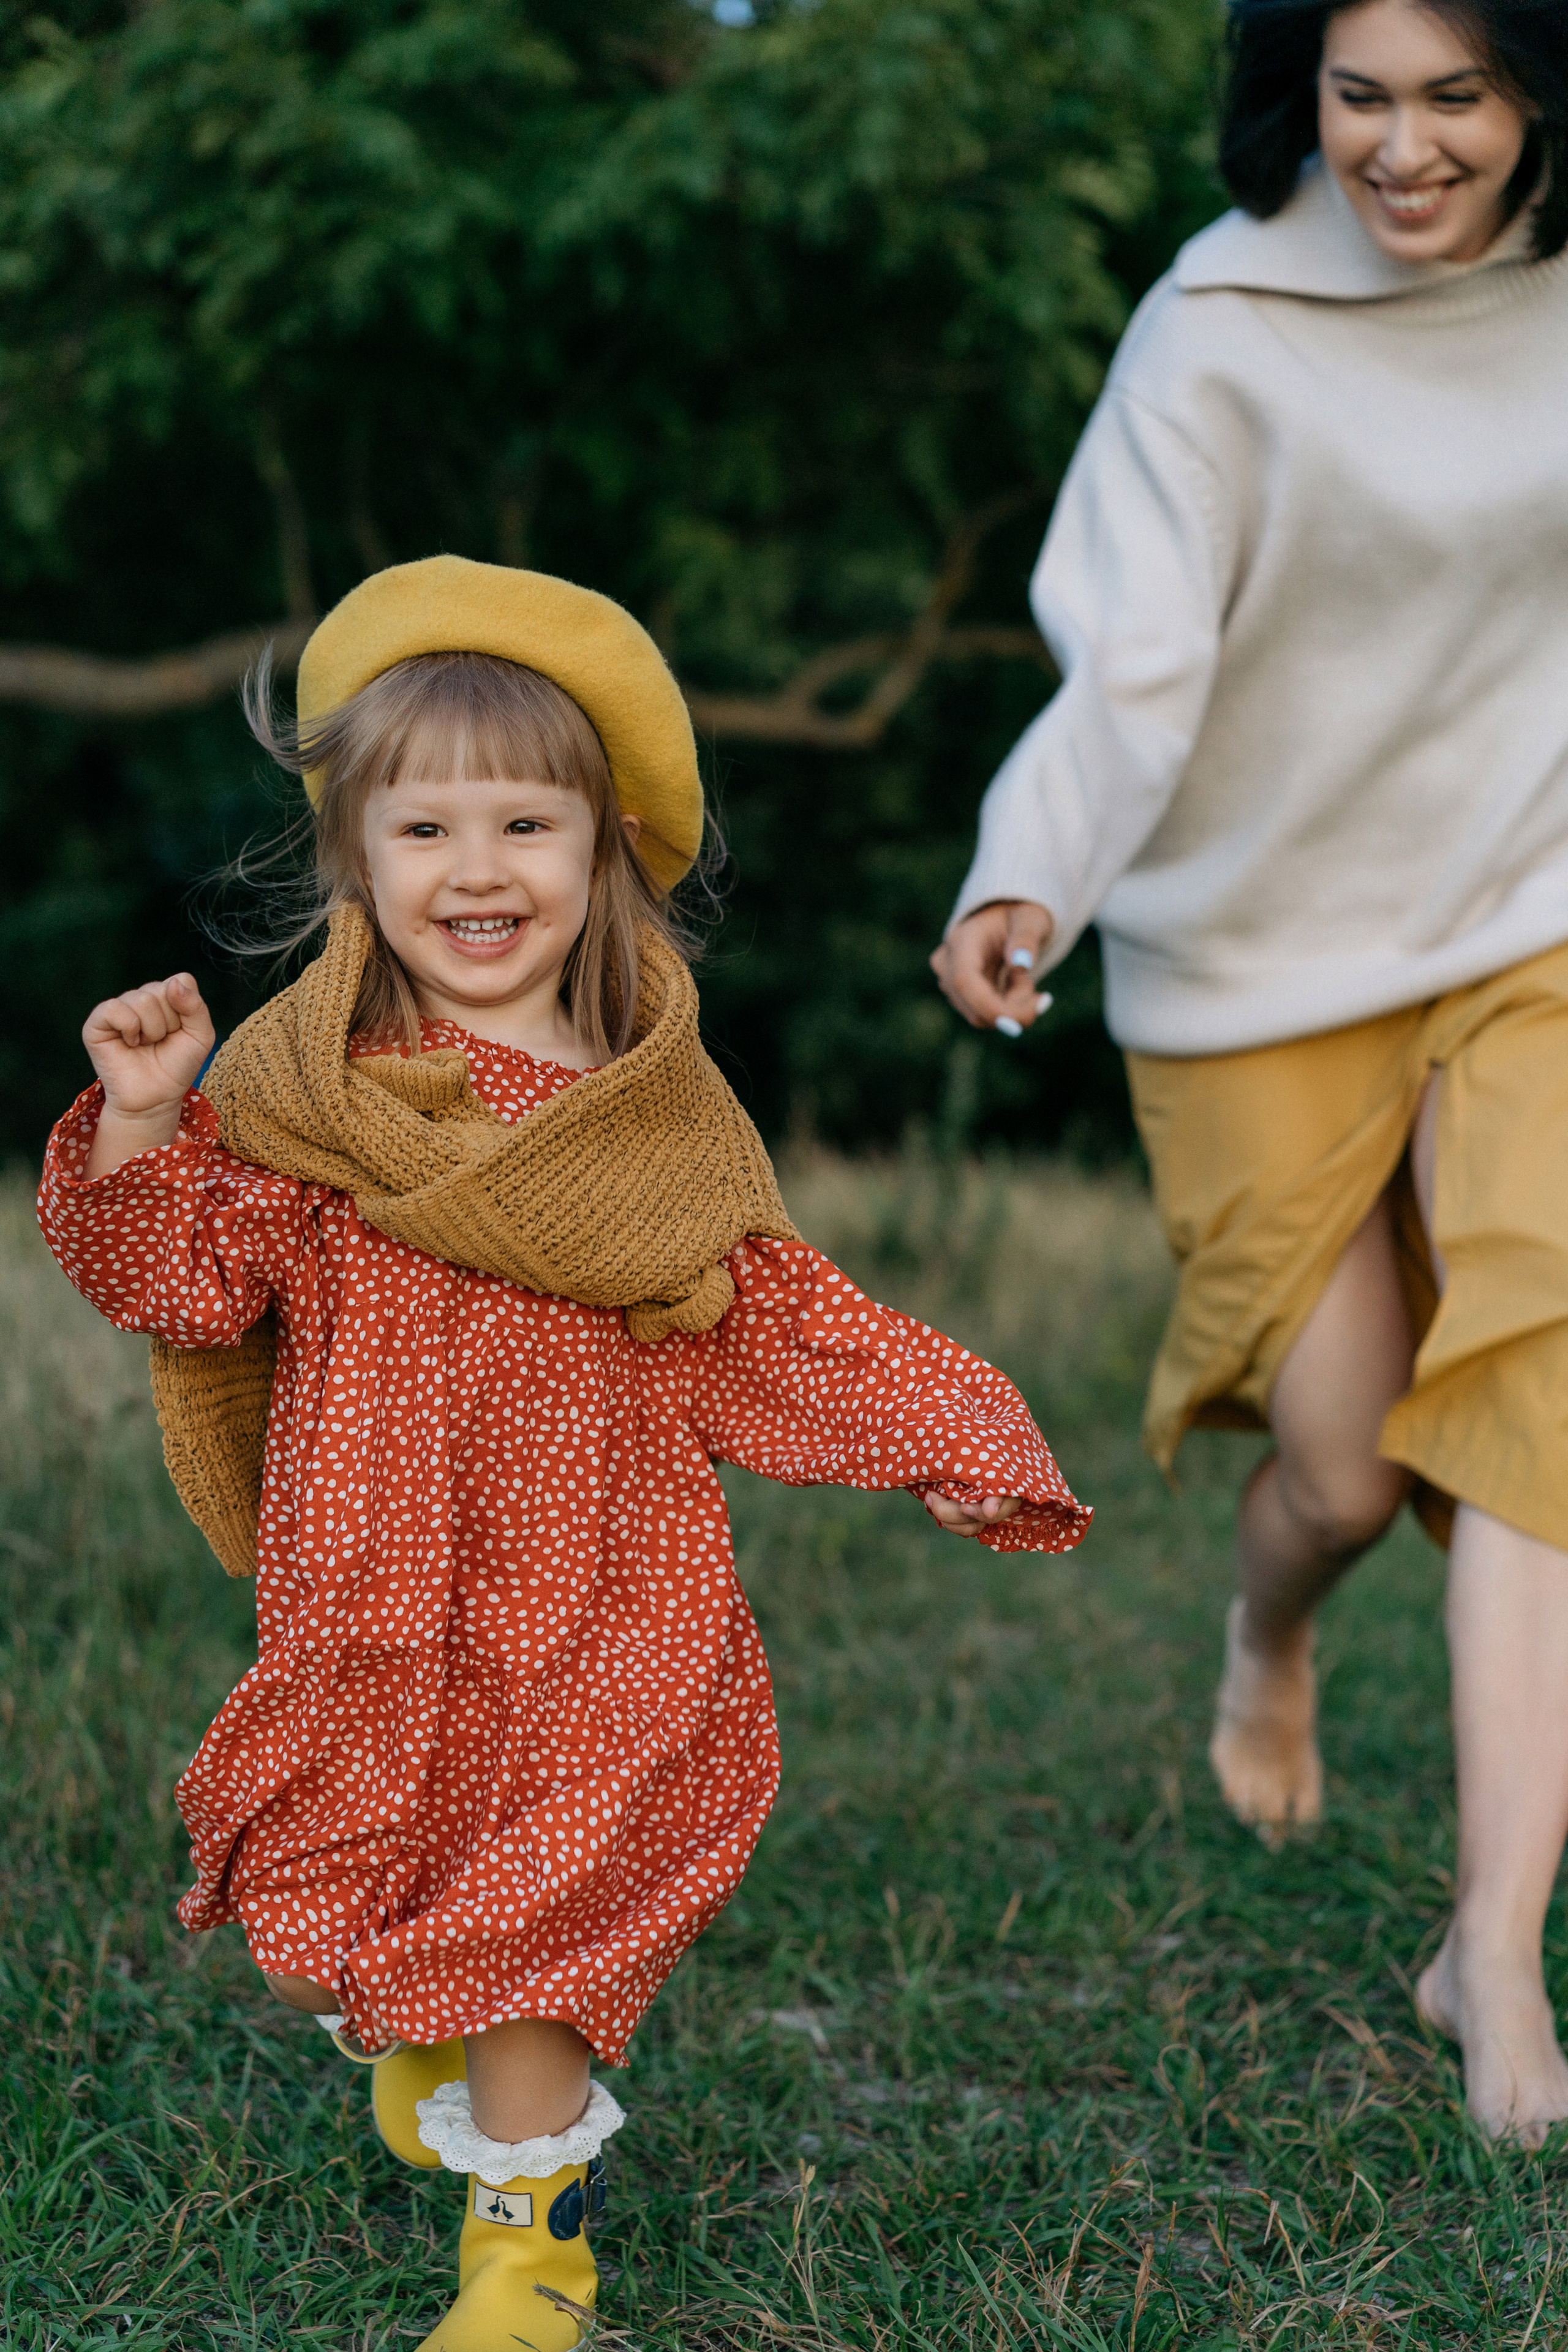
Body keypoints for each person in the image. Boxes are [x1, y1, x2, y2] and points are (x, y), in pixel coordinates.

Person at [39, 555, 1090, 2346]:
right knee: (368, 1893)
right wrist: (148, 1121)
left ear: (604, 851)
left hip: (607, 1602)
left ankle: (531, 2255)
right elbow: (187, 1285)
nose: (477, 869)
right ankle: (414, 2023)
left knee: (545, 1919)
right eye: (425, 826)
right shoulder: (306, 1108)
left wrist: (953, 1427)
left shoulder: (648, 1127)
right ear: (356, 859)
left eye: (528, 822)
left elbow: (773, 1316)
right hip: (377, 1590)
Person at [931, 0, 1568, 2144]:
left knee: (1541, 1395)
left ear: (1544, 93)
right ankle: (1269, 1641)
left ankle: (1490, 1946)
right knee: (1350, 1467)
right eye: (1360, 96)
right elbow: (1131, 658)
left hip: (1535, 911)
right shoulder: (1218, 325)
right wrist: (1033, 871)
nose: (1404, 149)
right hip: (1258, 952)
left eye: (1459, 97)